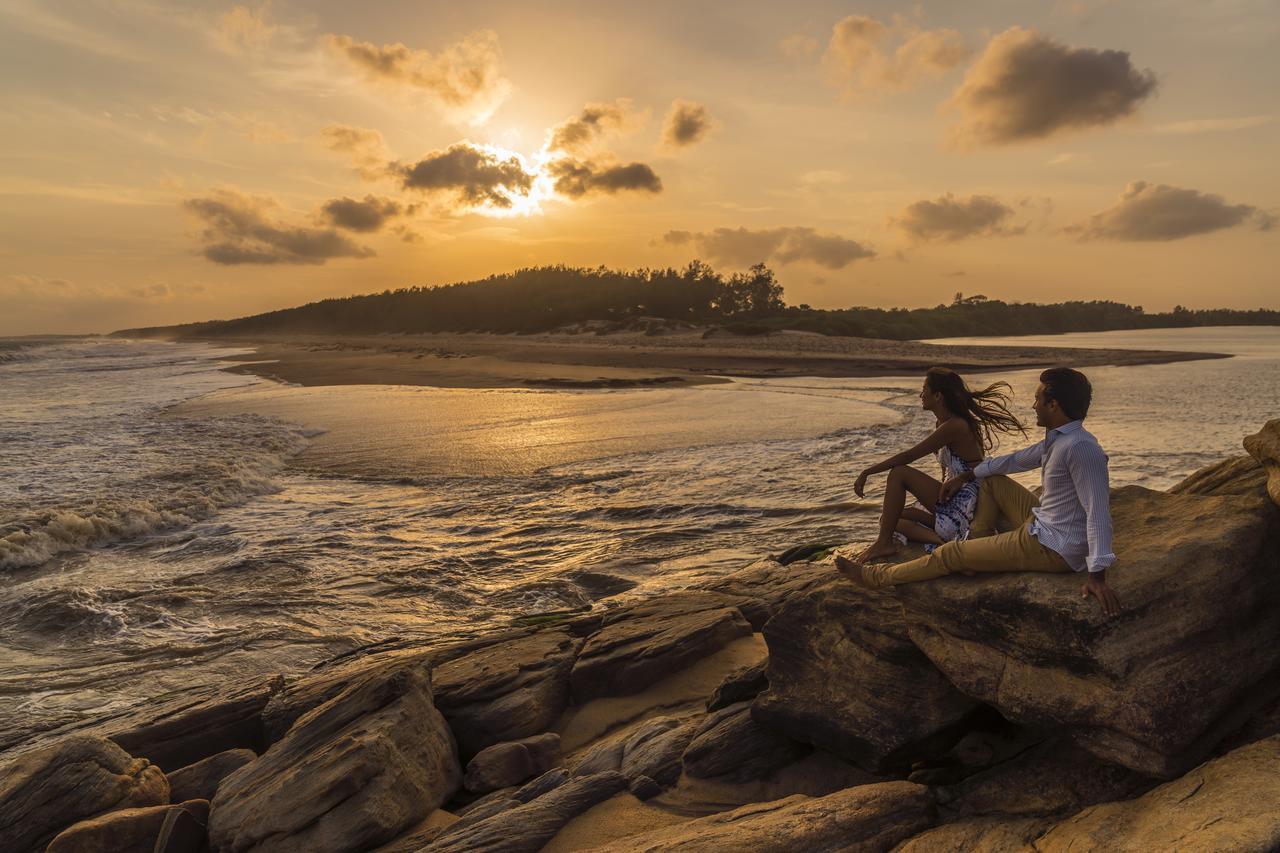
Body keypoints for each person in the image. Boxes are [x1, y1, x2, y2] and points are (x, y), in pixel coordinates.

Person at [836, 367, 1123, 618]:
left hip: (1054, 547)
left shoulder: (1081, 449)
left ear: (1054, 405)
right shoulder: (1059, 439)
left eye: (1038, 399)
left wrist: (1097, 575)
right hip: (1044, 523)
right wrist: (967, 475)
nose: (1034, 405)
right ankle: (978, 540)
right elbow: (1016, 460)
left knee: (952, 554)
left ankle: (876, 577)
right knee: (992, 479)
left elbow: (1098, 512)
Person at [850, 367, 1027, 564]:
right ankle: (939, 540)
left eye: (924, 389)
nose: (920, 394)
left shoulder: (956, 425)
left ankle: (884, 543)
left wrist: (868, 472)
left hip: (967, 498)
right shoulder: (943, 423)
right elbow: (947, 470)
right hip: (954, 493)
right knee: (889, 519)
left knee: (899, 473)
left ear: (938, 396)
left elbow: (910, 456)